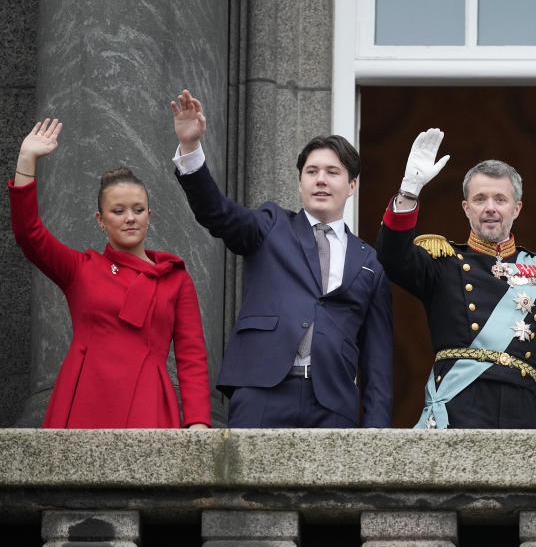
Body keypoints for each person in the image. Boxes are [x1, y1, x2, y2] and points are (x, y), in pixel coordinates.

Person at [169, 90, 392, 428]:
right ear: (300, 183)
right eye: (311, 171)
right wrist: (190, 150)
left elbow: (377, 360)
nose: (320, 179)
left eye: (333, 172)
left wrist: (377, 434)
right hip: (262, 389)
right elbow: (218, 213)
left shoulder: (369, 262)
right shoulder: (271, 224)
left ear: (351, 186)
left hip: (333, 402)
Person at [9, 119, 211, 429]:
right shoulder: (81, 269)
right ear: (101, 220)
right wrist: (26, 161)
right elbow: (29, 234)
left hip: (149, 402)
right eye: (118, 211)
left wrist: (198, 422)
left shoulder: (175, 278)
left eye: (138, 209)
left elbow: (192, 357)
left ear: (149, 215)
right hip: (84, 398)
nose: (130, 218)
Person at [376, 128, 536, 429]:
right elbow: (392, 257)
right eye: (480, 199)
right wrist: (409, 191)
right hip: (460, 405)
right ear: (466, 208)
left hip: (521, 410)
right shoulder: (443, 262)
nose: (490, 207)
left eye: (500, 199)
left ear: (517, 209)